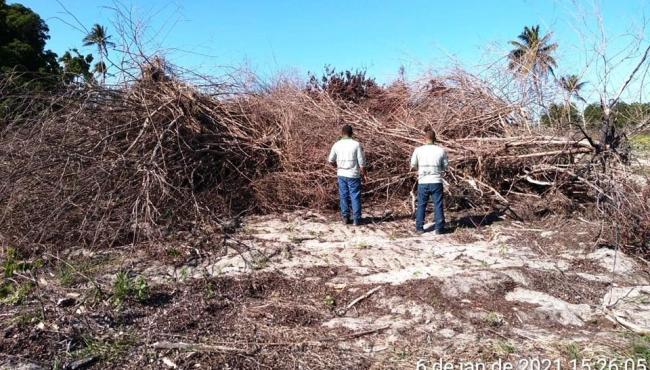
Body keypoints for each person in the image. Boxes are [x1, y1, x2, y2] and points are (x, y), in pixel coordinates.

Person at [410, 128, 449, 234]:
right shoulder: (441, 150)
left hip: (423, 181)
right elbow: (445, 166)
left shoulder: (418, 150)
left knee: (422, 204)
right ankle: (439, 228)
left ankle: (419, 228)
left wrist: (420, 169)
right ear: (435, 139)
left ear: (424, 139)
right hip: (436, 181)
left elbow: (413, 165)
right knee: (438, 204)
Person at [328, 124, 367, 226]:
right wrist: (364, 174)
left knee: (344, 195)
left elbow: (330, 160)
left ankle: (345, 217)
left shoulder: (337, 145)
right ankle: (357, 219)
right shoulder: (356, 144)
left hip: (341, 173)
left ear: (342, 133)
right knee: (355, 196)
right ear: (352, 133)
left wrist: (337, 166)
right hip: (353, 174)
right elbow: (361, 162)